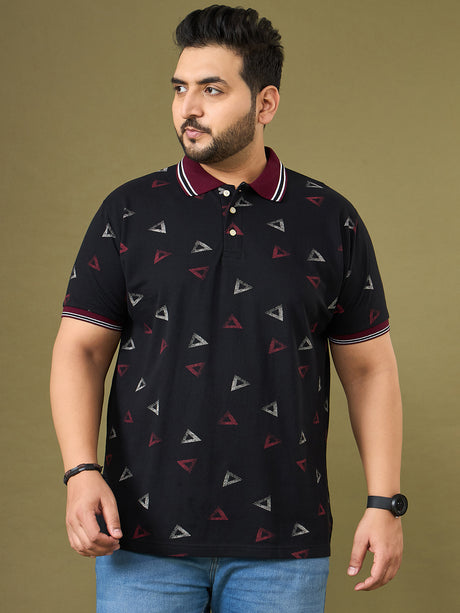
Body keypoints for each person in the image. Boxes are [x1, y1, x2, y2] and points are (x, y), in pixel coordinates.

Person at [50, 5, 406, 612]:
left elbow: (370, 369)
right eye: (180, 88)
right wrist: (81, 472)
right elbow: (79, 350)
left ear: (265, 104)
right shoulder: (129, 211)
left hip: (286, 545)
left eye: (212, 90)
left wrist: (384, 502)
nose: (188, 108)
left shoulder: (329, 218)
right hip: (141, 538)